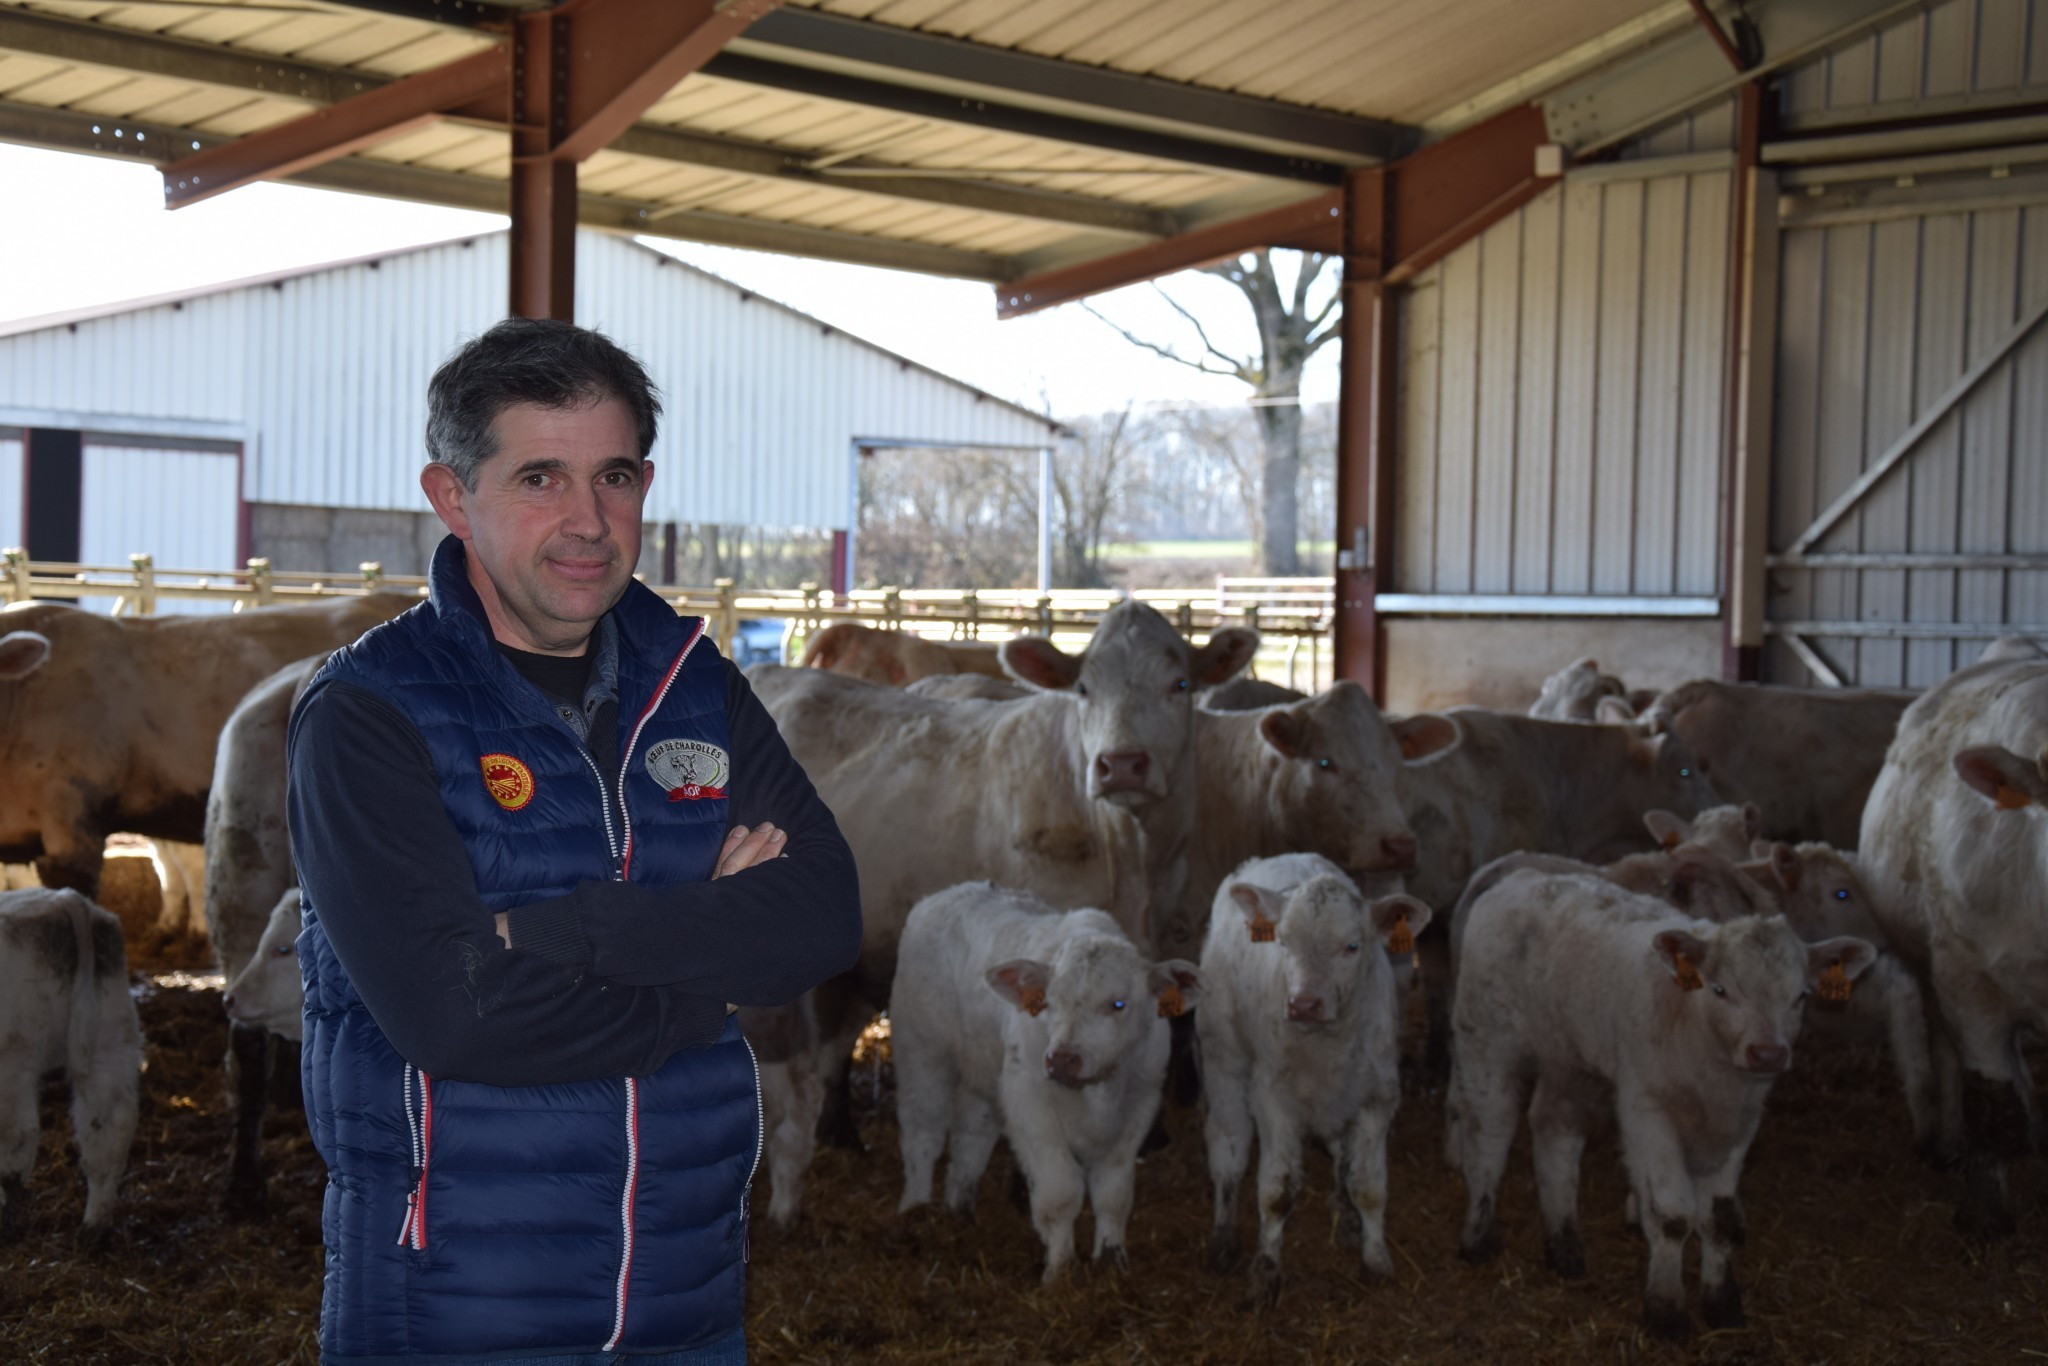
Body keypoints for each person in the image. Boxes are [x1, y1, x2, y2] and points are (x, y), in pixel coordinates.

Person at [287, 318, 861, 1365]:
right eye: (540, 478)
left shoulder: (693, 683)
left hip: (683, 1299)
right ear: (453, 497)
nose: (589, 521)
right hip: (457, 1307)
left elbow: (822, 915)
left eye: (614, 476)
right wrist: (711, 970)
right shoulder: (370, 713)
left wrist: (580, 929)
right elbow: (454, 1016)